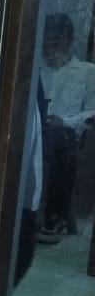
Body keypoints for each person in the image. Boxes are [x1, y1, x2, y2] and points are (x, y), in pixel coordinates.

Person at [38, 13, 95, 242]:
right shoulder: (36, 70)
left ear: (70, 41)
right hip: (38, 132)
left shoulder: (87, 72)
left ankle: (55, 218)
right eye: (46, 43)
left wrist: (65, 121)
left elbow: (92, 111)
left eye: (57, 42)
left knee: (59, 138)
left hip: (68, 136)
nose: (50, 49)